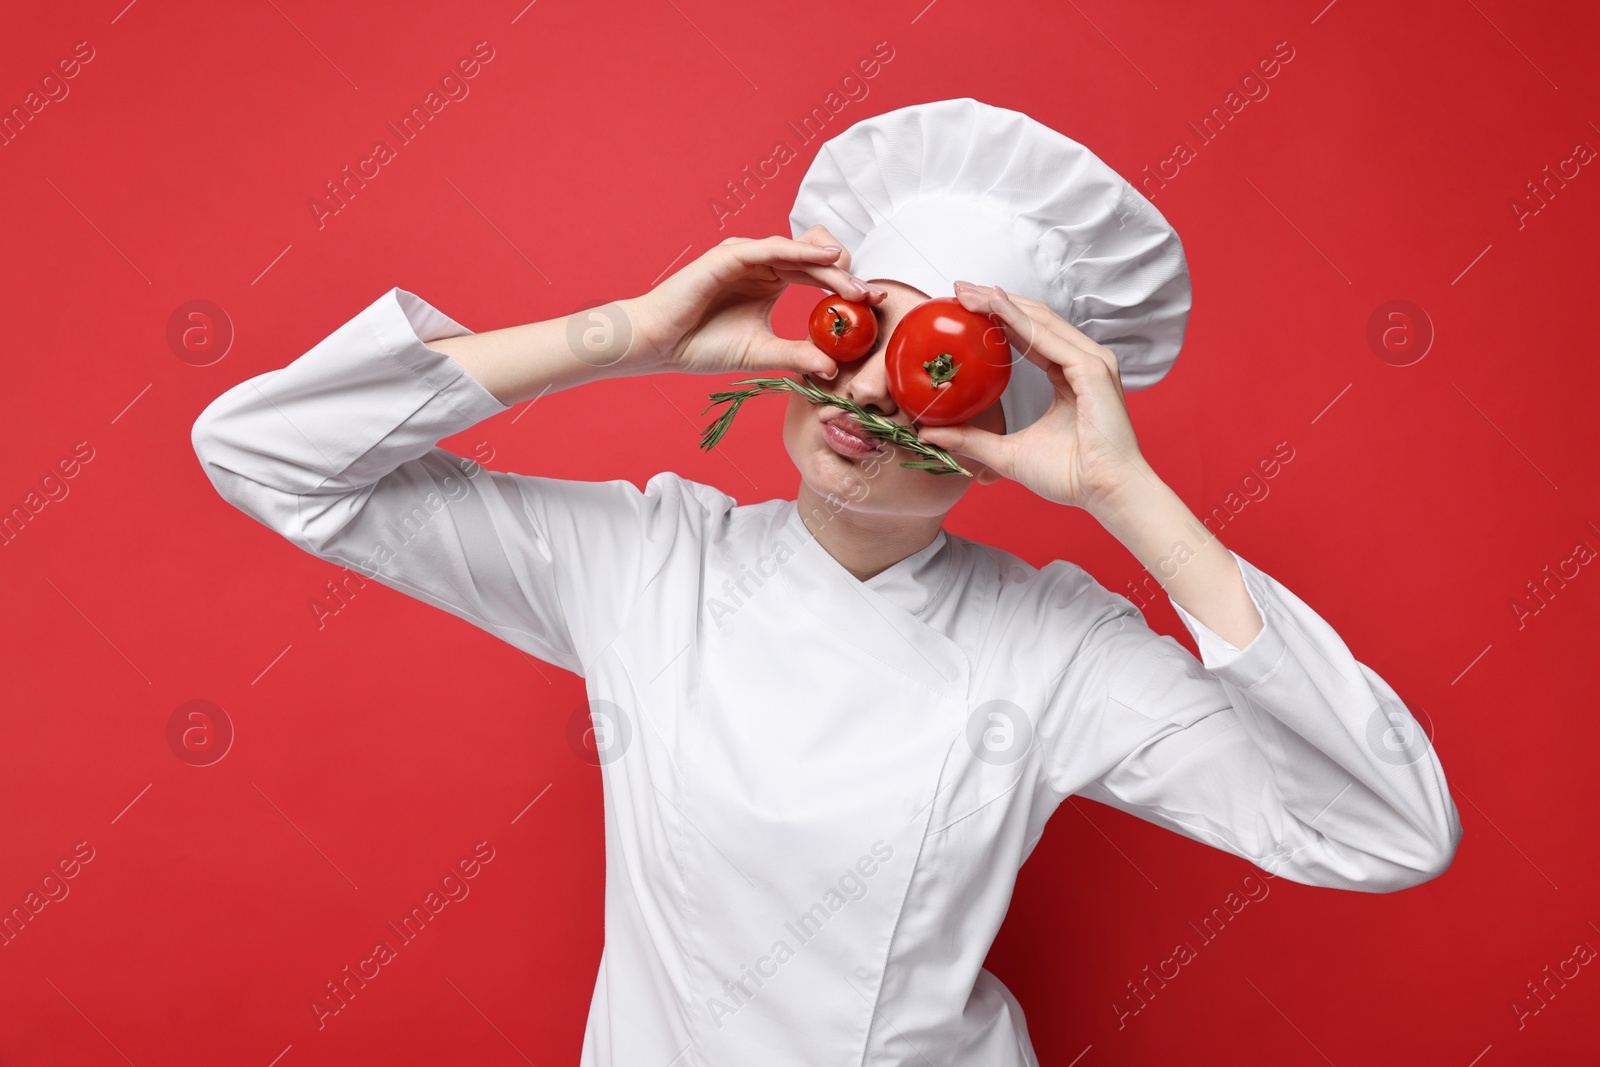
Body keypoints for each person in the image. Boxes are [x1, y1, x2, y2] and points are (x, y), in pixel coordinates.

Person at [190, 98, 1461, 1065]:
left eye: (936, 366)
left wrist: (1130, 495)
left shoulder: (1055, 649)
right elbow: (265, 455)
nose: (863, 394)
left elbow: (1384, 830)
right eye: (860, 330)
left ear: (1008, 425)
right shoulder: (649, 561)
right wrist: (625, 335)